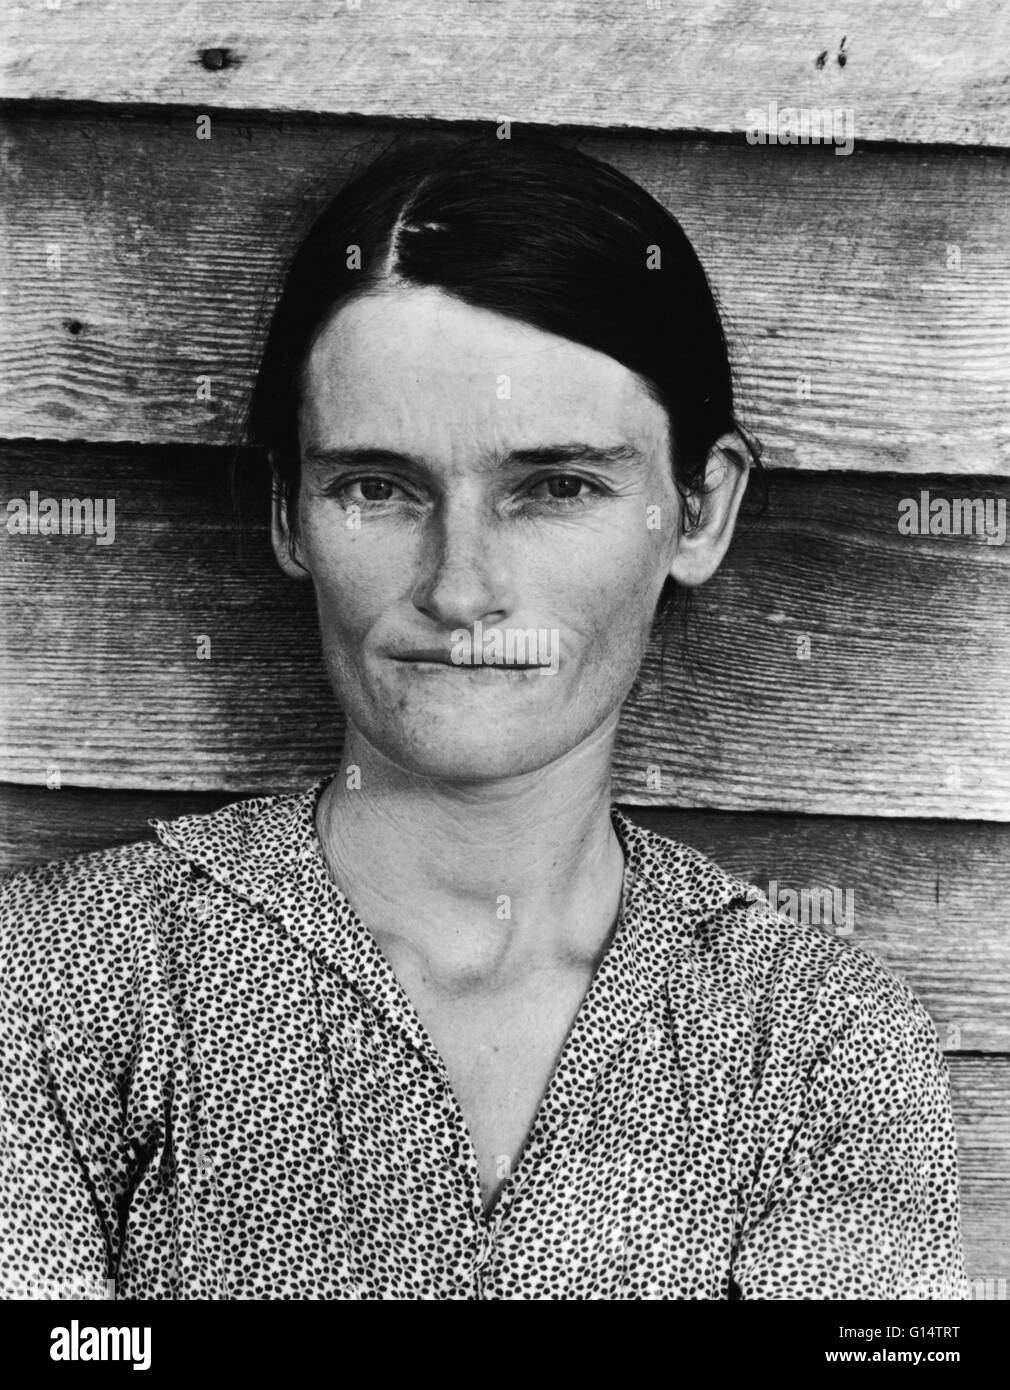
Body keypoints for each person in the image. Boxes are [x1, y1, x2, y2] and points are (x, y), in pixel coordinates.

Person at [0, 137, 967, 1300]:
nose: (460, 589)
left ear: (699, 510)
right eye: (377, 486)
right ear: (288, 514)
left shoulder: (816, 1042)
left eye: (555, 488)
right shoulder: (65, 976)